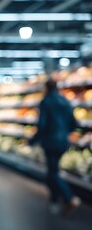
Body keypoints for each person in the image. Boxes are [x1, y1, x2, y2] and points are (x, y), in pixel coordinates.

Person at [29, 79, 81, 215]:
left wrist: (32, 140)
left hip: (50, 142)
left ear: (46, 88)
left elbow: (42, 125)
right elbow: (74, 122)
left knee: (52, 173)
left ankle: (69, 198)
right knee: (53, 170)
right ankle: (54, 200)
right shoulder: (65, 100)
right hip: (63, 142)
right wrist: (65, 133)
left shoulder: (45, 102)